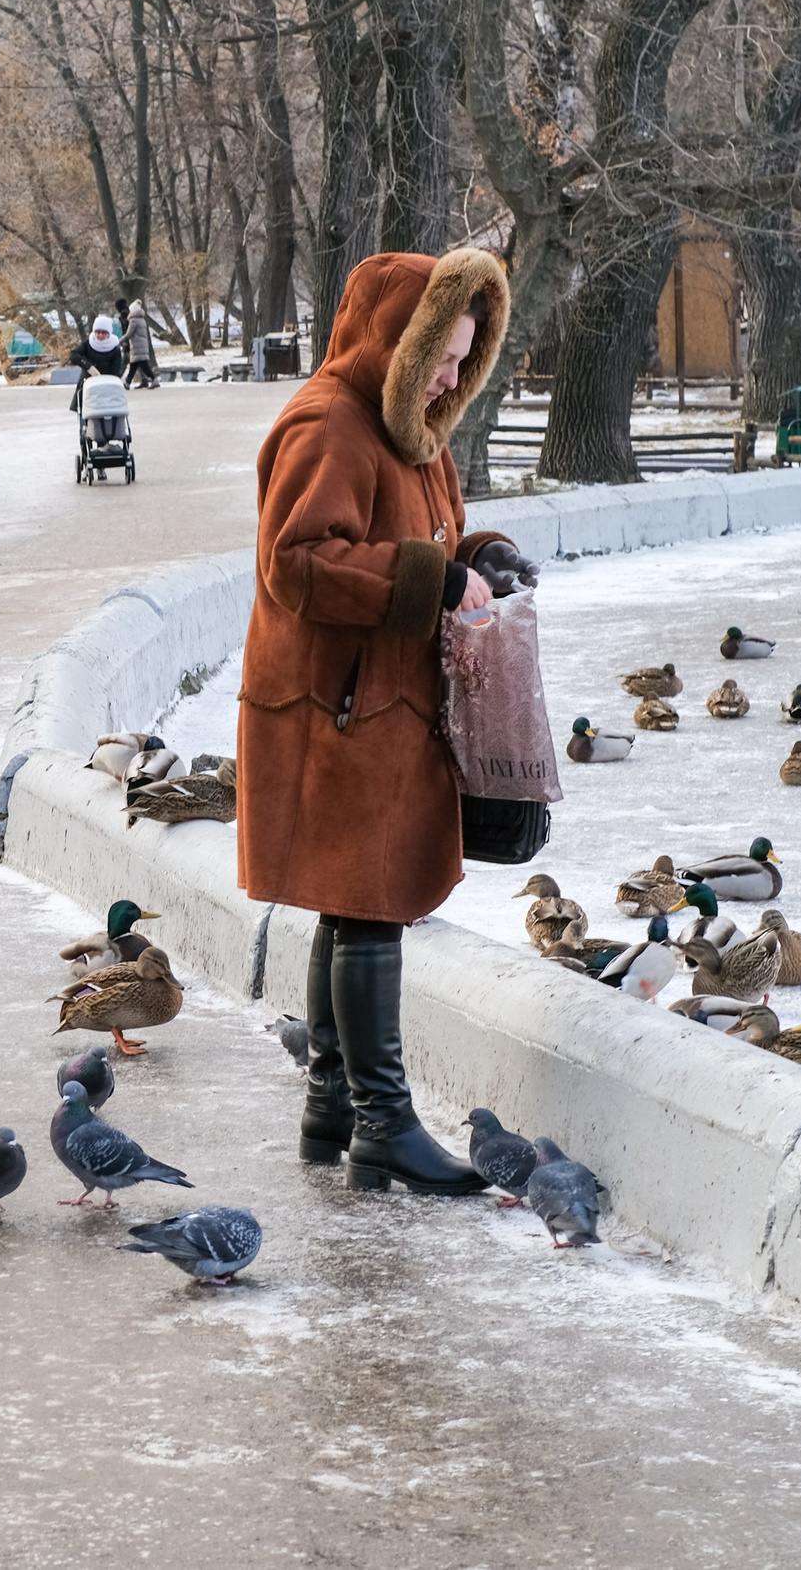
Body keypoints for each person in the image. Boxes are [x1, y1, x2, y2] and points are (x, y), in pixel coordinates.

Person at [236, 247, 544, 1195]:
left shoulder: (413, 430)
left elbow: (423, 537)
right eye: (442, 357)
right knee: (369, 906)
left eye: (463, 359)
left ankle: (333, 1103)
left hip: (378, 708)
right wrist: (431, 581)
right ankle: (383, 1121)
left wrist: (482, 558)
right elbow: (298, 560)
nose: (453, 378)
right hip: (337, 714)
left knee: (356, 902)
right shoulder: (330, 421)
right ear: (397, 345)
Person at [68, 312, 124, 410]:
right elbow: (74, 355)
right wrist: (89, 367)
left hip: (107, 385)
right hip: (87, 383)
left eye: (104, 332)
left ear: (109, 333)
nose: (100, 335)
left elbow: (116, 371)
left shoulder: (114, 348)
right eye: (97, 332)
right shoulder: (88, 343)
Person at [123, 300, 160, 389]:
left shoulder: (133, 320)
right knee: (134, 365)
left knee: (143, 365)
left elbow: (129, 333)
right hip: (142, 345)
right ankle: (127, 382)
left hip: (137, 346)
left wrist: (120, 341)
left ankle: (154, 379)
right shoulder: (142, 319)